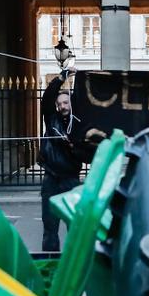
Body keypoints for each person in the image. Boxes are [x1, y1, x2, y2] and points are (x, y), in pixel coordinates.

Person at [38, 83, 95, 252]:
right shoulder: (51, 119)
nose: (62, 106)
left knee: (73, 224)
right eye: (59, 104)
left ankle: (73, 262)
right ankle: (50, 261)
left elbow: (89, 156)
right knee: (49, 226)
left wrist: (72, 147)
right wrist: (61, 78)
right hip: (51, 179)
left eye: (66, 103)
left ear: (71, 104)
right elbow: (47, 97)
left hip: (71, 180)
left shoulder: (79, 125)